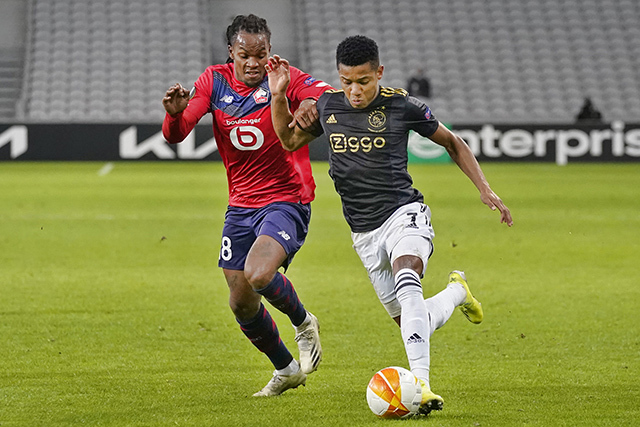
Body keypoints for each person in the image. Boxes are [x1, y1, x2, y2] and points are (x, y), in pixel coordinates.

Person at [266, 35, 513, 414]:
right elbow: (287, 140)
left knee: (407, 276)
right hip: (363, 232)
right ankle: (456, 292)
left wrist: (485, 188)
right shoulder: (328, 107)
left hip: (404, 214)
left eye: (363, 81)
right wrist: (279, 95)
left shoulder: (402, 106)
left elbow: (453, 142)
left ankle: (421, 385)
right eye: (347, 81)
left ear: (379, 73)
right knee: (414, 320)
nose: (355, 90)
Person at [162, 14, 331, 397]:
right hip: (240, 205)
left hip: (286, 198)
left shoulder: (282, 76)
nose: (254, 63)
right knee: (240, 302)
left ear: (269, 51)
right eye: (245, 56)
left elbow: (323, 94)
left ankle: (304, 323)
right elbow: (178, 133)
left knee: (259, 273)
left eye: (261, 54)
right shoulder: (214, 80)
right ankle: (286, 369)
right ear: (231, 53)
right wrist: (173, 115)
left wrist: (308, 102)